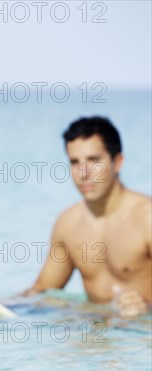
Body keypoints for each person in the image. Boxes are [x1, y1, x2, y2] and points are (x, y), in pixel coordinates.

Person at [23, 116, 151, 317]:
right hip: (97, 337)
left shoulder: (146, 219)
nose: (84, 173)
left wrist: (147, 308)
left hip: (142, 338)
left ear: (117, 162)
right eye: (75, 162)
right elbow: (40, 294)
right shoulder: (68, 224)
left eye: (94, 160)